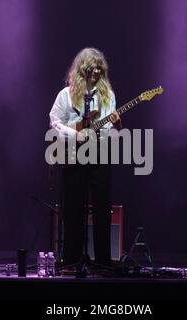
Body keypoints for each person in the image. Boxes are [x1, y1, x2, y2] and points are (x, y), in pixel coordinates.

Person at [49, 48, 121, 267]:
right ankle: (71, 259)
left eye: (100, 67)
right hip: (74, 154)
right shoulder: (66, 95)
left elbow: (109, 129)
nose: (97, 71)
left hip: (100, 152)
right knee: (73, 208)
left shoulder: (107, 95)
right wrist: (75, 134)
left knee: (102, 206)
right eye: (93, 67)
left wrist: (117, 125)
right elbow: (55, 120)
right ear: (82, 68)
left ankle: (103, 261)